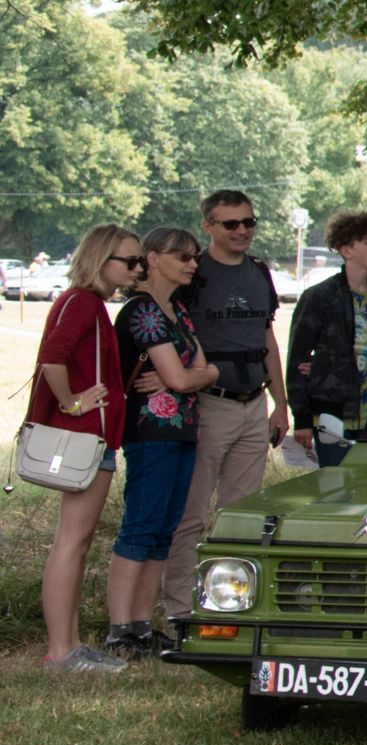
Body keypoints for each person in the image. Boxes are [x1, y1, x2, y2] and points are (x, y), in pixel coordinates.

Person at [158, 189, 289, 620]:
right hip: (208, 404)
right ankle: (179, 607)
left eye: (249, 222)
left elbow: (266, 338)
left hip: (253, 405)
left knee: (241, 515)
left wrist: (280, 403)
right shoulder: (194, 273)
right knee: (192, 514)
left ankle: (230, 605)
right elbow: (164, 327)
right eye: (231, 223)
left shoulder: (258, 272)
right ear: (208, 226)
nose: (241, 231)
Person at [104, 227, 220, 658]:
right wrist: (194, 378)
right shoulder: (141, 310)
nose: (192, 263)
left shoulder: (178, 313)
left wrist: (199, 377)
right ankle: (119, 628)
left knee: (163, 531)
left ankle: (140, 623)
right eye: (182, 256)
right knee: (140, 526)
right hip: (149, 433)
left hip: (183, 430)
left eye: (193, 256)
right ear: (152, 259)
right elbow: (179, 376)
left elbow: (203, 370)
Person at [29, 225, 138, 672]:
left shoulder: (88, 302)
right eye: (129, 262)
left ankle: (71, 643)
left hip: (94, 437)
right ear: (101, 259)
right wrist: (71, 402)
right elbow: (52, 355)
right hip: (83, 439)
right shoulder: (83, 302)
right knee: (70, 544)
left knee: (76, 542)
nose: (137, 269)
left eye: (139, 262)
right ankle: (61, 651)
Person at [287, 211, 367, 466]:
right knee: (334, 487)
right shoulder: (320, 296)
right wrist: (301, 418)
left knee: (366, 486)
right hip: (331, 413)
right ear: (346, 250)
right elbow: (297, 359)